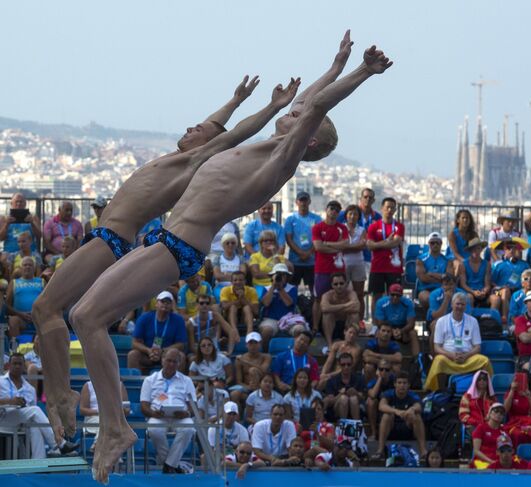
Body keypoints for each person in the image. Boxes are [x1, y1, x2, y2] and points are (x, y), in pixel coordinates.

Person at [68, 35, 390, 480]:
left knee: (88, 318)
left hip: (176, 247)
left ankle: (115, 428)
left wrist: (361, 73)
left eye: (297, 116)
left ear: (308, 138)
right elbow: (314, 100)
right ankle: (114, 425)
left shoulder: (282, 158)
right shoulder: (264, 146)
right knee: (82, 314)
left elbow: (314, 109)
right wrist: (335, 64)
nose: (293, 110)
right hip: (163, 240)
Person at [30, 73, 274, 448]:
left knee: (48, 306)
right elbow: (216, 126)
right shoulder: (181, 156)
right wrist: (234, 100)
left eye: (198, 129)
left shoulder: (195, 160)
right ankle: (60, 392)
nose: (191, 127)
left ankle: (62, 394)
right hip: (104, 238)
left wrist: (272, 106)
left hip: (111, 240)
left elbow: (230, 134)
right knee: (45, 309)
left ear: (206, 143)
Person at [0, 353, 79, 459]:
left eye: (20, 364)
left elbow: (31, 410)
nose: (17, 366)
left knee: (35, 423)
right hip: (3, 417)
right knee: (35, 411)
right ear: (9, 365)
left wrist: (22, 405)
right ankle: (58, 443)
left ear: (24, 366)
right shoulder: (0, 381)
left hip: (21, 421)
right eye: (14, 364)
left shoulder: (30, 388)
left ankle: (39, 462)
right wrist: (10, 401)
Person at [140, 348, 196, 474]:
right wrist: (153, 413)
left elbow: (193, 406)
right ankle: (172, 464)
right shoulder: (150, 380)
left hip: (180, 416)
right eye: (169, 360)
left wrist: (186, 413)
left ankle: (169, 464)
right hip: (157, 415)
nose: (171, 364)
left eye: (175, 362)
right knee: (154, 430)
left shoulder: (186, 380)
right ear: (162, 360)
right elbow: (144, 406)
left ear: (179, 363)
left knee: (188, 428)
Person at [424, 292, 492, 391]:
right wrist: (451, 355)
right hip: (448, 358)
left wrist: (466, 355)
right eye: (457, 304)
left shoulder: (473, 321)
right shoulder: (441, 321)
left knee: (484, 361)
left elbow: (477, 347)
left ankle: (485, 392)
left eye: (462, 304)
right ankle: (438, 392)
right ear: (452, 304)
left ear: (465, 306)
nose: (459, 307)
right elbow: (437, 347)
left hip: (468, 358)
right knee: (438, 360)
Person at [312, 200, 350, 332]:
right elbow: (318, 247)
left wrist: (327, 243)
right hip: (322, 269)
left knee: (341, 298)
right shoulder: (317, 227)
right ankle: (315, 327)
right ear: (326, 210)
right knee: (318, 299)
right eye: (331, 208)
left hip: (338, 270)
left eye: (336, 210)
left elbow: (345, 245)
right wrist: (336, 247)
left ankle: (341, 328)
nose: (333, 212)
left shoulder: (342, 228)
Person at [127, 291, 188, 374]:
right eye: (162, 302)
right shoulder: (144, 318)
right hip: (148, 354)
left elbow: (181, 344)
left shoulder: (178, 320)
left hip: (168, 353)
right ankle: (135, 384)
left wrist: (163, 351)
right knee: (133, 355)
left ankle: (176, 384)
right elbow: (135, 343)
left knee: (181, 356)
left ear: (171, 306)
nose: (165, 305)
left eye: (168, 303)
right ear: (156, 304)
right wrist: (148, 351)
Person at [366, 197, 404, 322]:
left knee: (394, 296)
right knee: (376, 297)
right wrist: (386, 241)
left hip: (394, 268)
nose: (389, 210)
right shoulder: (373, 226)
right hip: (377, 267)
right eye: (387, 207)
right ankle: (375, 324)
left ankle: (391, 323)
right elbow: (369, 245)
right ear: (382, 208)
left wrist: (379, 244)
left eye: (392, 207)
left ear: (395, 210)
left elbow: (395, 243)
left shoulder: (399, 226)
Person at [374, 371, 427, 460]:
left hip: (407, 428)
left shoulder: (412, 395)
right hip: (390, 428)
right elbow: (381, 406)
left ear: (409, 385)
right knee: (387, 416)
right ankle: (380, 450)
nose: (402, 385)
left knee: (416, 416)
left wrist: (412, 409)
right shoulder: (388, 393)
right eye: (399, 383)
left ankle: (423, 451)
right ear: (395, 384)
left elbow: (419, 406)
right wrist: (396, 411)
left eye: (404, 383)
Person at [284, 191, 321, 295]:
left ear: (309, 202)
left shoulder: (316, 219)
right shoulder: (290, 219)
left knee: (314, 291)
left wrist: (308, 253)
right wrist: (301, 253)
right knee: (292, 290)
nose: (303, 203)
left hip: (312, 261)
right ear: (296, 202)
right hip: (295, 261)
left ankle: (313, 310)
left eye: (305, 200)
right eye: (301, 200)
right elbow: (289, 239)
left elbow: (319, 238)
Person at [79, 379, 130, 451]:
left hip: (114, 417)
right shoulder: (88, 385)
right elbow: (82, 410)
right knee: (107, 423)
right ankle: (112, 453)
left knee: (111, 422)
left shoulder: (119, 385)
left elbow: (126, 409)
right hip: (93, 417)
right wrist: (100, 412)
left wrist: (122, 410)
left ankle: (98, 445)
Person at [259, 263, 300, 348]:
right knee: (266, 331)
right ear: (272, 276)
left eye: (283, 275)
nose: (280, 277)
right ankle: (265, 353)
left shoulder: (292, 288)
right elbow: (266, 303)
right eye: (278, 274)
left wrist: (280, 288)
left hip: (289, 319)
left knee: (299, 330)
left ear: (287, 277)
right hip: (271, 319)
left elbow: (288, 303)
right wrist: (273, 287)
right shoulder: (266, 289)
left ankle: (297, 353)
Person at [490, 238, 531, 323]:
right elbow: (491, 282)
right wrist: (500, 287)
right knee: (505, 291)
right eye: (509, 248)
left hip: (518, 291)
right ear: (504, 249)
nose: (512, 250)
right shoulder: (498, 265)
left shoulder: (524, 265)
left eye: (514, 248)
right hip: (499, 292)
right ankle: (505, 318)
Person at [504, 371, 531, 447]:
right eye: (518, 380)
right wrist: (512, 390)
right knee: (518, 434)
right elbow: (505, 410)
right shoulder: (510, 393)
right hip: (515, 424)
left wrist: (529, 397)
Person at [374, 283, 418, 355]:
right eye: (393, 295)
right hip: (386, 326)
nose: (395, 297)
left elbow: (411, 323)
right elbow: (379, 323)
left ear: (401, 296)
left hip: (403, 327)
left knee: (413, 333)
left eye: (398, 295)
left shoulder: (408, 303)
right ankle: (377, 355)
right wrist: (391, 330)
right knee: (378, 333)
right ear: (388, 294)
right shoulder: (381, 303)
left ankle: (417, 359)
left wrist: (401, 331)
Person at [341, 204, 368, 321]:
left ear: (359, 217)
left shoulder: (362, 230)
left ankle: (360, 320)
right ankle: (344, 320)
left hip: (358, 264)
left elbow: (362, 246)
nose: (352, 216)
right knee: (342, 293)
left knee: (359, 294)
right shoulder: (341, 228)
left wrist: (347, 247)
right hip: (343, 264)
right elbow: (340, 247)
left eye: (355, 214)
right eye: (350, 214)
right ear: (346, 216)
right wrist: (353, 246)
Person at [320, 273, 360, 351]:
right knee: (327, 314)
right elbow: (324, 308)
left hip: (347, 325)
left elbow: (356, 307)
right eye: (336, 284)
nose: (339, 286)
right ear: (332, 285)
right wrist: (346, 305)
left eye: (341, 283)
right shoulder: (327, 295)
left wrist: (332, 308)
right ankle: (330, 345)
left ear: (346, 284)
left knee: (354, 315)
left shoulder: (351, 293)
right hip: (331, 326)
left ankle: (350, 344)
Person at [6, 256, 44, 337]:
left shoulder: (42, 282)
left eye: (30, 265)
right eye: (25, 265)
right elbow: (7, 306)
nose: (27, 267)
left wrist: (37, 314)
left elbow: (49, 303)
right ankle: (15, 348)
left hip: (39, 319)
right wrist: (20, 314)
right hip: (21, 320)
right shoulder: (14, 283)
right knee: (13, 320)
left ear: (34, 268)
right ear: (20, 268)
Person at [230, 332, 271, 407]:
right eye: (250, 343)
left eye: (255, 343)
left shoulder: (266, 357)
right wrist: (248, 387)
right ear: (246, 345)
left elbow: (263, 370)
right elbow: (239, 381)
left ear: (260, 344)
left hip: (262, 388)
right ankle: (237, 417)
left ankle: (257, 397)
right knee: (234, 394)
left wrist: (245, 362)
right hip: (247, 388)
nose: (253, 346)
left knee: (253, 370)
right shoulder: (240, 360)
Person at [323, 352, 366, 420]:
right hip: (338, 410)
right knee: (344, 398)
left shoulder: (359, 379)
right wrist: (340, 394)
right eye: (343, 365)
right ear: (339, 365)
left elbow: (363, 398)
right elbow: (330, 402)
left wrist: (356, 393)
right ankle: (343, 426)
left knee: (353, 399)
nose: (346, 367)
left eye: (348, 364)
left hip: (355, 408)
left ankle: (357, 426)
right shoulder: (332, 380)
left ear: (352, 365)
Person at [415, 231, 451, 309]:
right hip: (425, 290)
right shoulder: (420, 259)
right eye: (432, 243)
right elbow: (423, 278)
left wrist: (431, 274)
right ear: (428, 243)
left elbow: (448, 278)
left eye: (437, 243)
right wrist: (441, 277)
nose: (435, 245)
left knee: (448, 297)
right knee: (428, 298)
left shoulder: (447, 260)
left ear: (441, 244)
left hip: (442, 289)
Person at [219, 270, 259, 336]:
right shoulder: (225, 290)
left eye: (241, 280)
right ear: (231, 282)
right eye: (235, 280)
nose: (238, 282)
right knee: (233, 307)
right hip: (229, 316)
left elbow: (256, 311)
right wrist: (238, 301)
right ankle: (234, 331)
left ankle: (250, 332)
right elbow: (224, 307)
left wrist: (243, 298)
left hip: (245, 316)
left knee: (247, 308)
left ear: (245, 281)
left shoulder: (252, 290)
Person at [458, 237, 493, 308]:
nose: (476, 251)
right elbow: (463, 284)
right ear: (470, 251)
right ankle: (469, 317)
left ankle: (492, 318)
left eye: (478, 248)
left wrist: (484, 291)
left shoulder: (487, 264)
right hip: (469, 292)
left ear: (481, 249)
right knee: (469, 297)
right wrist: (473, 292)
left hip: (483, 292)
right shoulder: (463, 264)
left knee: (496, 298)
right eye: (473, 249)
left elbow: (487, 284)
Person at [365, 358, 396, 440]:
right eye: (381, 369)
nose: (384, 372)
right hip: (376, 410)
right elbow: (373, 395)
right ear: (377, 370)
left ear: (391, 371)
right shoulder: (373, 381)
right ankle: (374, 433)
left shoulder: (395, 381)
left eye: (387, 369)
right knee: (371, 401)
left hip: (390, 408)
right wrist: (380, 379)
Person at [470, 402, 507, 468]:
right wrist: (491, 462)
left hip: (498, 461)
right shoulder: (481, 428)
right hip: (482, 461)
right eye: (496, 411)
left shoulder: (504, 431)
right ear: (489, 413)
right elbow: (476, 451)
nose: (498, 414)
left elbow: (506, 449)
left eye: (501, 413)